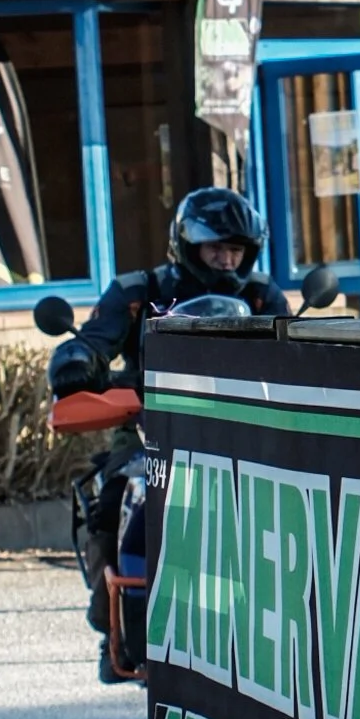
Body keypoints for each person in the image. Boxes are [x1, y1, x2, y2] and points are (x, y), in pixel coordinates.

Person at [48, 189, 290, 666]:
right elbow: (96, 340)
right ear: (187, 246)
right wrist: (77, 359)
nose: (226, 261)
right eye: (215, 249)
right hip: (148, 426)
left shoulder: (262, 295)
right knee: (115, 495)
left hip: (240, 430)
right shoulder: (139, 291)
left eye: (235, 251)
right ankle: (113, 619)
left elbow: (296, 351)